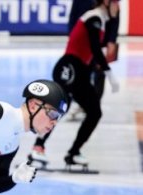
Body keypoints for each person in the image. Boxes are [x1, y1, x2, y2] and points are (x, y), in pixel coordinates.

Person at [27, 0, 119, 170]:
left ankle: (47, 148)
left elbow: (91, 51)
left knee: (72, 109)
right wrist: (108, 72)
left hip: (76, 68)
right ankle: (65, 152)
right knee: (87, 111)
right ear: (106, 2)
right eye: (116, 2)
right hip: (70, 67)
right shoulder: (95, 18)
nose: (118, 6)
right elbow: (95, 48)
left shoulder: (100, 18)